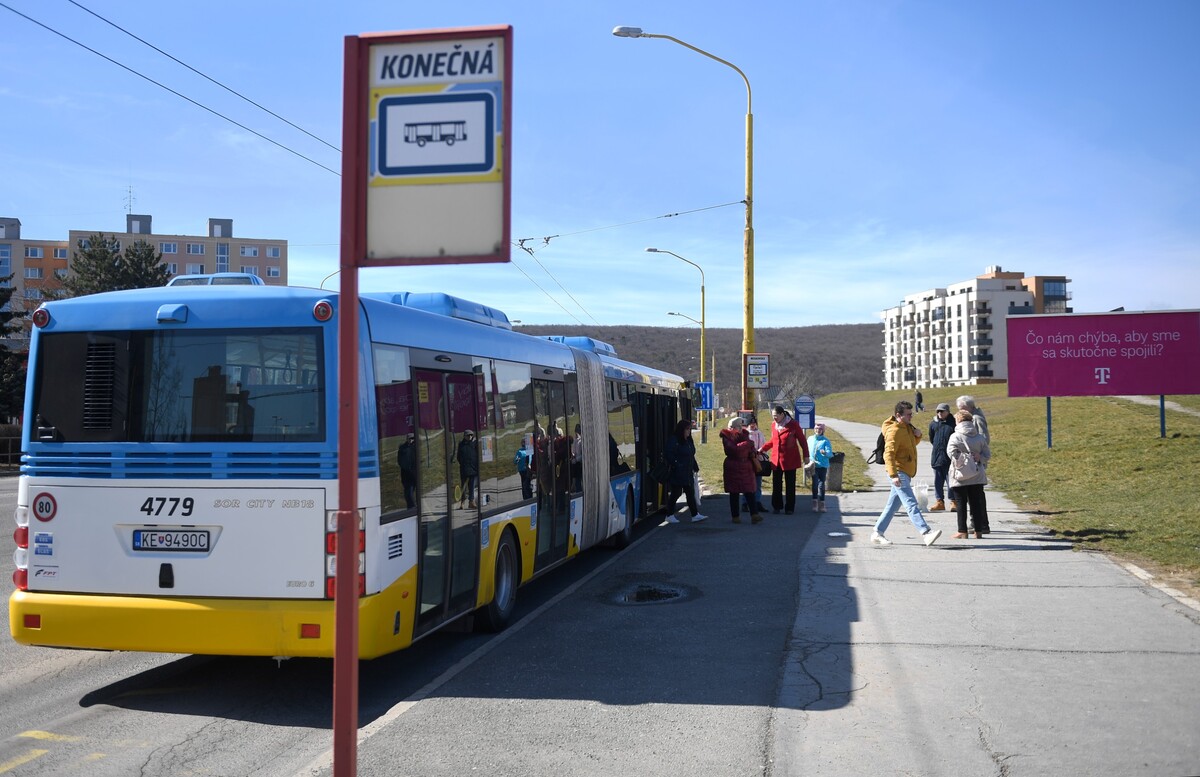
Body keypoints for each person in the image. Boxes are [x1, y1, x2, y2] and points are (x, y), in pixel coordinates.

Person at [870, 400, 942, 546]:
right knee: (911, 503)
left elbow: (909, 445)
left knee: (892, 506)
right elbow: (888, 454)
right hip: (899, 472)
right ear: (898, 415)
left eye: (911, 414)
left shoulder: (907, 427)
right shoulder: (894, 431)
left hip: (905, 472)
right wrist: (893, 475)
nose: (911, 417)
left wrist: (918, 435)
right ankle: (926, 532)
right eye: (908, 414)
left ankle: (877, 532)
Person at [947, 409, 991, 538]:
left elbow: (951, 453)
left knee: (961, 503)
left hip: (960, 474)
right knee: (975, 503)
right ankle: (978, 531)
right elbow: (987, 455)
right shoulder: (979, 437)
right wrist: (978, 458)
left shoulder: (955, 436)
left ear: (958, 421)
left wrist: (962, 458)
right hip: (977, 474)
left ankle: (962, 531)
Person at [759, 405, 810, 515]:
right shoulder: (774, 425)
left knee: (790, 484)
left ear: (782, 414)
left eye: (776, 416)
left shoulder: (793, 424)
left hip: (790, 459)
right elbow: (774, 440)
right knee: (776, 484)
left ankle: (789, 508)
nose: (774, 418)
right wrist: (763, 449)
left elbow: (802, 441)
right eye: (773, 416)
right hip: (776, 459)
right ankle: (777, 506)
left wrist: (806, 455)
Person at [664, 418, 707, 524]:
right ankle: (669, 515)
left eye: (690, 429)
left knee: (690, 492)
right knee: (676, 493)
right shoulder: (674, 440)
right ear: (681, 429)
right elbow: (668, 454)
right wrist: (677, 464)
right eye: (687, 429)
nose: (689, 431)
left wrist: (695, 466)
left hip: (687, 471)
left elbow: (691, 454)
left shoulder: (688, 440)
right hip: (678, 471)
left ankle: (695, 514)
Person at [954, 395, 990, 523]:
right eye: (959, 409)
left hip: (975, 461)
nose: (960, 412)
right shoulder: (968, 418)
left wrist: (977, 453)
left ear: (970, 407)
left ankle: (981, 522)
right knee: (973, 494)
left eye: (963, 408)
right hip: (968, 461)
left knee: (977, 494)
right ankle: (977, 521)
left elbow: (984, 438)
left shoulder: (977, 418)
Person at [720, 417, 761, 524]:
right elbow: (735, 450)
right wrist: (747, 445)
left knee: (749, 491)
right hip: (733, 466)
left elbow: (751, 450)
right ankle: (735, 516)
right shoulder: (726, 437)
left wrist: (752, 451)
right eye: (737, 427)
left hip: (746, 466)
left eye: (740, 426)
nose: (739, 429)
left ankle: (754, 514)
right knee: (734, 493)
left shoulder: (745, 435)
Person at [927, 403, 956, 511]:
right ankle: (939, 501)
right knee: (938, 481)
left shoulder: (953, 423)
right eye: (938, 411)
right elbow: (932, 439)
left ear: (948, 412)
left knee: (951, 481)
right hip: (937, 457)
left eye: (942, 411)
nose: (939, 413)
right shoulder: (933, 424)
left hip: (950, 458)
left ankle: (953, 501)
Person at [744, 415, 769, 514]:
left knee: (758, 483)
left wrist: (762, 453)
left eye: (754, 423)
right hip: (748, 461)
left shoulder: (760, 434)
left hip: (758, 461)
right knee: (747, 483)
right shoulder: (745, 434)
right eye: (751, 423)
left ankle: (757, 502)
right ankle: (745, 503)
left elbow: (764, 445)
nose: (753, 425)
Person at [807, 422, 833, 512]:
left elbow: (830, 454)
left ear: (823, 431)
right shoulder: (810, 439)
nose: (818, 431)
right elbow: (806, 450)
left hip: (823, 466)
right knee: (814, 484)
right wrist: (806, 460)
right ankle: (814, 502)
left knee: (821, 485)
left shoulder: (825, 441)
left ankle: (822, 504)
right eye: (816, 429)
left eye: (820, 429)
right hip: (813, 465)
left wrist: (825, 453)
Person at [454, 430, 479, 509]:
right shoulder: (461, 444)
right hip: (464, 469)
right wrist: (463, 463)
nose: (470, 437)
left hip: (473, 468)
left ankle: (471, 501)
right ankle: (462, 502)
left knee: (471, 486)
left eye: (471, 435)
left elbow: (478, 454)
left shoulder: (474, 443)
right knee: (463, 487)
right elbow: (458, 457)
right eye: (468, 435)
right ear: (464, 436)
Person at [397, 433, 417, 509]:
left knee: (412, 490)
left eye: (413, 439)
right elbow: (400, 461)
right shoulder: (402, 448)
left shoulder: (415, 447)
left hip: (414, 473)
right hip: (406, 474)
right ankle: (411, 507)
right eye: (410, 438)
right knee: (409, 492)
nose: (412, 440)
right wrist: (406, 468)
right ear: (407, 439)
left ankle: (412, 507)